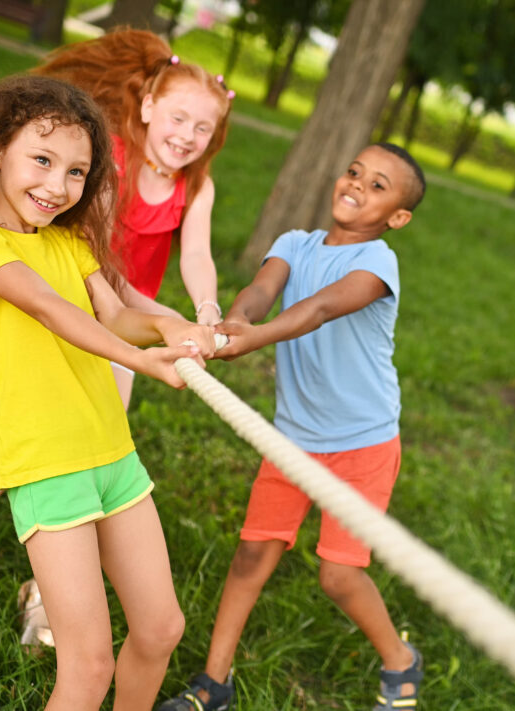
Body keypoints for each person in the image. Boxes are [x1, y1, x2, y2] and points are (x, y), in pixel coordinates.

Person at [0, 74, 217, 710]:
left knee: (161, 628)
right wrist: (145, 364)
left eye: (76, 173)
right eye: (42, 160)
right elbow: (51, 310)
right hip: (46, 465)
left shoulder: (66, 237)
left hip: (112, 454)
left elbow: (114, 314)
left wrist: (171, 325)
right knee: (86, 665)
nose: (57, 187)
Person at [0, 30, 234, 607]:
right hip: (89, 294)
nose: (187, 137)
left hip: (118, 312)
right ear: (147, 108)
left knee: (89, 432)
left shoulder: (196, 185)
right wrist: (163, 327)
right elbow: (102, 277)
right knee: (54, 428)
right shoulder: (104, 162)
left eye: (202, 128)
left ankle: (44, 582)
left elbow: (196, 256)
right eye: (178, 119)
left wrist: (204, 317)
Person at [158, 143, 427, 711]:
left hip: (362, 443)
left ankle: (401, 662)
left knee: (338, 575)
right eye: (353, 171)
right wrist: (236, 322)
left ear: (398, 217)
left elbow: (321, 309)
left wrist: (254, 339)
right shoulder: (294, 244)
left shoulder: (378, 262)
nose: (357, 184)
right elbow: (260, 292)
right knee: (252, 557)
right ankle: (214, 683)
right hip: (291, 439)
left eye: (379, 185)